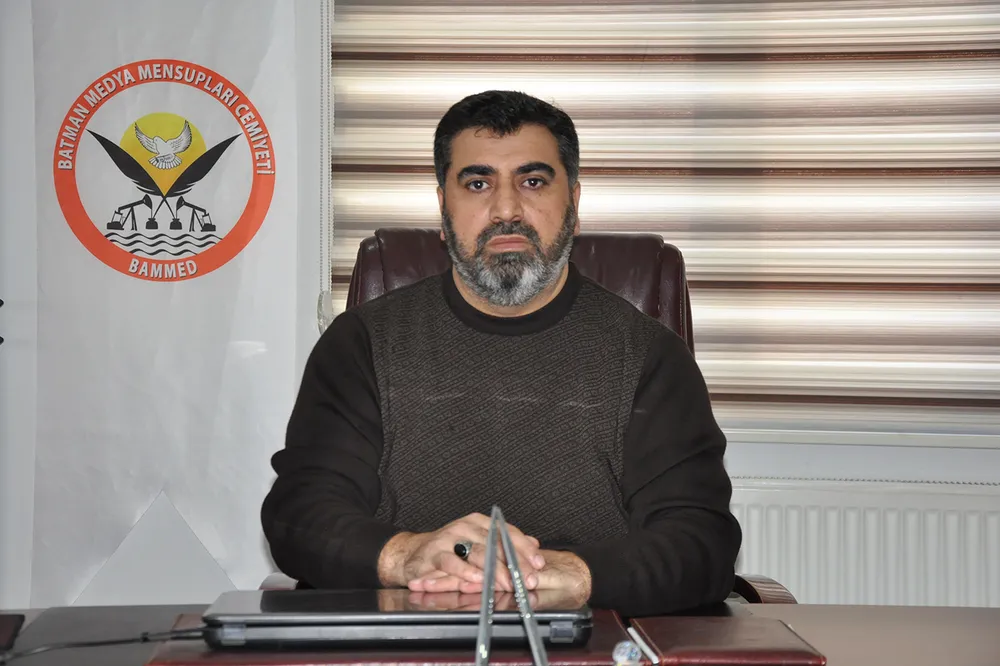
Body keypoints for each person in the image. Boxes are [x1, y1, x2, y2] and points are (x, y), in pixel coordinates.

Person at [261, 90, 742, 618]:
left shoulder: (650, 356)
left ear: (574, 204)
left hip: (589, 642)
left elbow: (701, 541)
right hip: (404, 641)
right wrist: (408, 556)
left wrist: (570, 573)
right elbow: (299, 514)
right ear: (443, 207)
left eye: (533, 182)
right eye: (478, 183)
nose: (507, 209)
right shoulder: (360, 343)